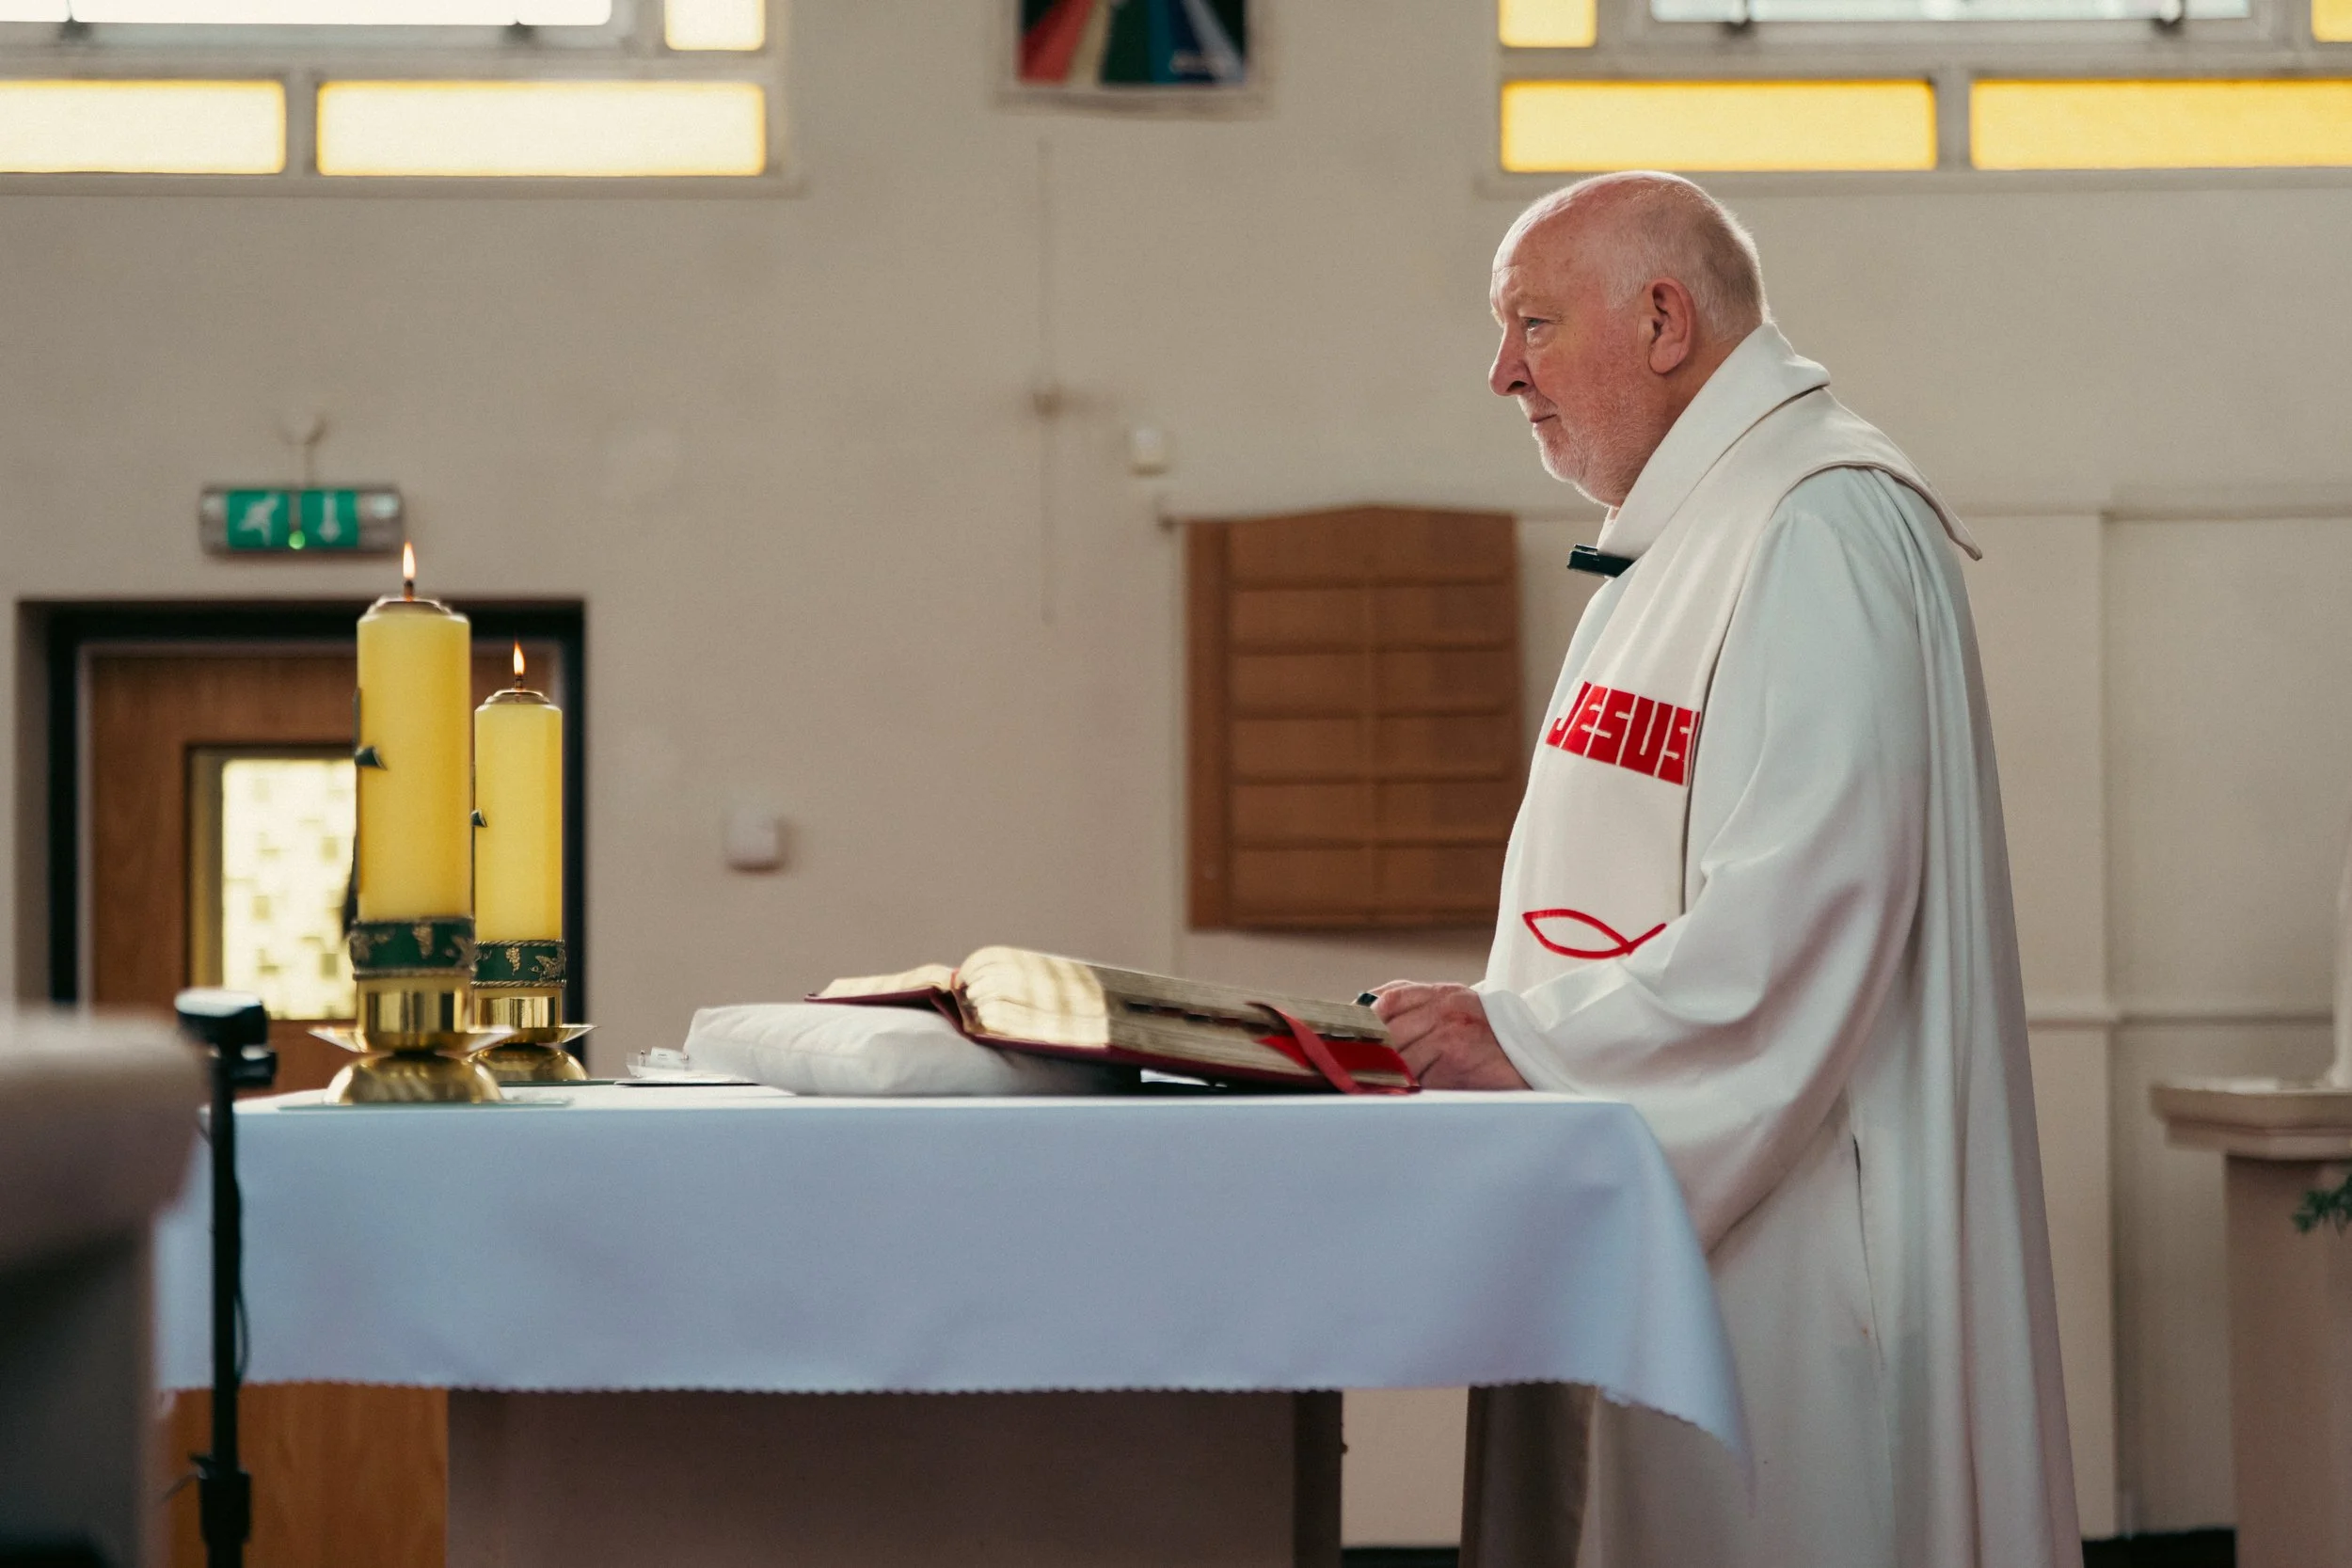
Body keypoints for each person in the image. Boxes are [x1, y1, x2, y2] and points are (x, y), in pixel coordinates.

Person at [1371, 172, 2079, 1568]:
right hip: (1675, 1215)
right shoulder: (1684, 538)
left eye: (1532, 323)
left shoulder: (1818, 525)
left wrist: (1524, 1035)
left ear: (1662, 319)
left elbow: (1808, 912)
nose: (1502, 371)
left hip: (1801, 1253)